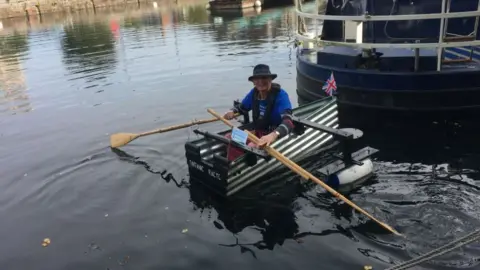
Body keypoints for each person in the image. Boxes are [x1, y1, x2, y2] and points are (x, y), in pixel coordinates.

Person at [223, 64, 295, 161]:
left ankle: (239, 167)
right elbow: (242, 107)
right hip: (257, 133)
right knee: (229, 137)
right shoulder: (254, 93)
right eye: (257, 79)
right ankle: (231, 163)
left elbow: (288, 122)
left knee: (251, 146)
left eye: (264, 78)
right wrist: (233, 111)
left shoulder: (281, 95)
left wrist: (273, 135)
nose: (260, 81)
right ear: (253, 82)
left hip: (274, 136)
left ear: (270, 79)